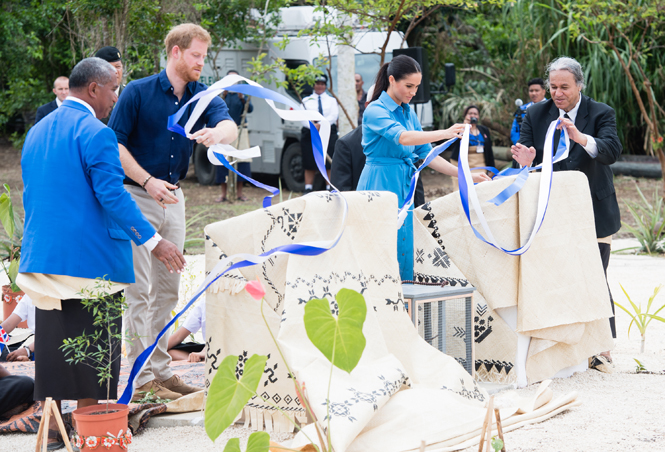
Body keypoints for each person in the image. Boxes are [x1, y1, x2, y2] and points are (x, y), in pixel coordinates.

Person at [18, 57, 185, 448]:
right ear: (93, 89)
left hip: (44, 259)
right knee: (94, 351)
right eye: (112, 88)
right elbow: (113, 194)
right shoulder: (97, 132)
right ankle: (92, 428)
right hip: (90, 261)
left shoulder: (37, 131)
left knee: (55, 342)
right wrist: (154, 242)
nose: (115, 97)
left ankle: (57, 427)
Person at [109, 23, 236, 402]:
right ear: (176, 52)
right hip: (136, 196)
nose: (201, 62)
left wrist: (219, 134)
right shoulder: (137, 92)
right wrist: (147, 181)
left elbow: (227, 123)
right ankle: (140, 377)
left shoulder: (201, 94)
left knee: (167, 292)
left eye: (203, 55)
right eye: (196, 55)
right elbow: (113, 145)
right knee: (139, 291)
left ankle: (162, 373)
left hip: (175, 200)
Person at [511, 56, 621, 372]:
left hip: (594, 210)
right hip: (552, 211)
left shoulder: (602, 113)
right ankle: (563, 346)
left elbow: (611, 152)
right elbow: (526, 157)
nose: (558, 93)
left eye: (564, 87)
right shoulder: (535, 113)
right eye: (553, 86)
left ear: (579, 86)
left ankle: (602, 350)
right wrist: (526, 160)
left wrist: (580, 138)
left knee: (595, 278)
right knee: (558, 277)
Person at [358, 55, 490, 281]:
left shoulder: (408, 111)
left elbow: (427, 154)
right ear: (392, 80)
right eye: (409, 86)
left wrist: (465, 175)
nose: (413, 92)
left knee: (404, 243)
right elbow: (403, 137)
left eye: (417, 87)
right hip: (379, 182)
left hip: (404, 184)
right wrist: (444, 133)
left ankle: (404, 302)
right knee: (379, 246)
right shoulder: (374, 110)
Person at [331, 84, 426, 206]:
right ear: (368, 106)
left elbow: (415, 184)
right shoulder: (346, 144)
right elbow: (341, 192)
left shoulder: (406, 140)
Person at [216, 69, 254, 203]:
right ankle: (223, 194)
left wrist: (242, 99)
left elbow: (250, 109)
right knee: (223, 162)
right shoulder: (222, 95)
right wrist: (224, 96)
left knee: (241, 162)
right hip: (224, 131)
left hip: (240, 130)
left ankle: (239, 193)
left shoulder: (242, 94)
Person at [300, 73, 339, 193]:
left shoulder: (331, 100)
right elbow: (302, 116)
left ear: (326, 86)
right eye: (317, 84)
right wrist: (313, 126)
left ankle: (329, 187)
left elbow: (333, 115)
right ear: (313, 85)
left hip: (328, 131)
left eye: (322, 84)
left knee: (328, 161)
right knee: (309, 160)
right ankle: (308, 188)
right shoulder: (306, 100)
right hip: (310, 132)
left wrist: (322, 125)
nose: (320, 86)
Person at [448, 105, 495, 174]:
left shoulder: (484, 130)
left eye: (475, 114)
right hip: (462, 163)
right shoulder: (458, 128)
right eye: (470, 113)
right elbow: (454, 144)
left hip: (480, 164)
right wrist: (464, 126)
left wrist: (491, 166)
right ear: (465, 115)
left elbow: (489, 149)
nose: (473, 116)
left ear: (478, 117)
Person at [167, 298, 206, 362]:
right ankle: (198, 361)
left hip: (223, 349)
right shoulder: (203, 303)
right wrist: (150, 352)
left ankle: (203, 360)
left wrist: (204, 352)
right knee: (169, 353)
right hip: (207, 348)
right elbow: (178, 337)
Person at [510, 78, 547, 145]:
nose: (533, 93)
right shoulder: (522, 110)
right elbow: (515, 132)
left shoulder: (552, 107)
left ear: (543, 91)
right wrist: (520, 146)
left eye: (536, 90)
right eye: (531, 91)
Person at [0, 294, 36, 362]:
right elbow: (9, 324)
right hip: (30, 338)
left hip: (45, 341)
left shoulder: (57, 299)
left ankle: (26, 359)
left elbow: (52, 334)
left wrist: (27, 350)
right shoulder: (29, 295)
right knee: (5, 347)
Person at [95, 46, 125, 124]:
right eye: (109, 68)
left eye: (118, 66)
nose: (115, 71)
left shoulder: (130, 94)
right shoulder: (91, 97)